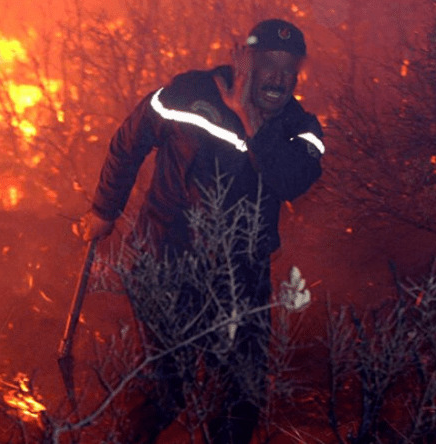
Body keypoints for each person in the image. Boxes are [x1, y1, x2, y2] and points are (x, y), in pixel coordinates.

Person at [80, 19, 324, 443]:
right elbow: (129, 142)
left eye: (289, 69)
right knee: (164, 389)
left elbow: (292, 180)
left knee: (240, 397)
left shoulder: (300, 127)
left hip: (241, 275)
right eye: (269, 65)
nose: (279, 79)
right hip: (166, 260)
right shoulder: (187, 93)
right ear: (245, 60)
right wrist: (104, 209)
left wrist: (249, 119)